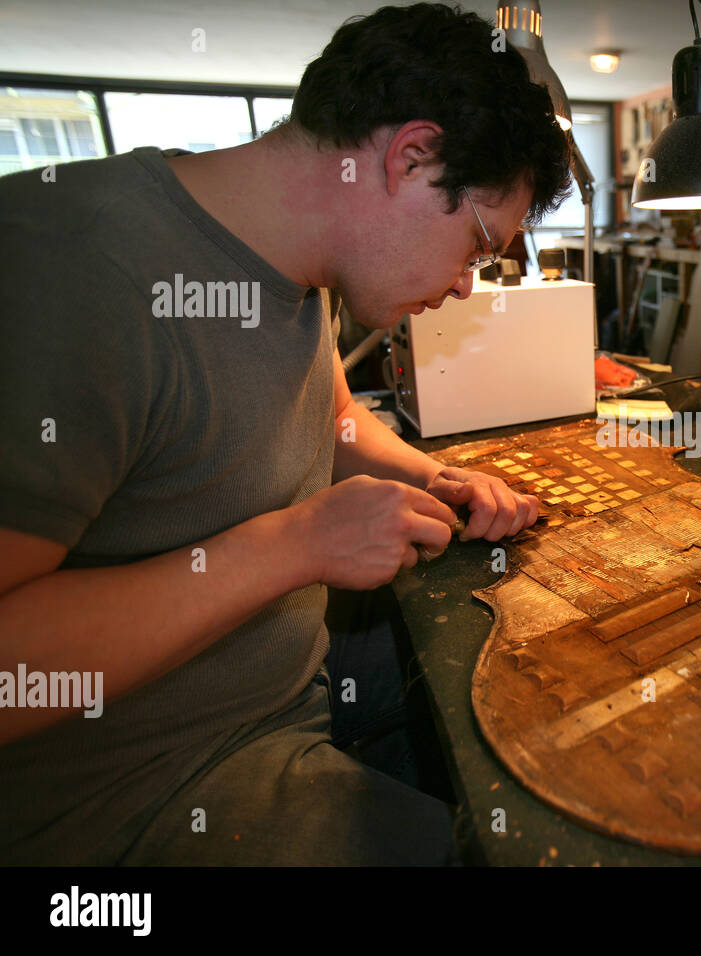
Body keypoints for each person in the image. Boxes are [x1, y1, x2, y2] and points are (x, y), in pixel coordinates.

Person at [0, 2, 572, 864]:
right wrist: (293, 545)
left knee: (551, 684)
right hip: (135, 787)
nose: (466, 286)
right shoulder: (73, 268)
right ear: (410, 157)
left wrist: (433, 478)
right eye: (480, 244)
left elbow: (332, 417)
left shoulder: (300, 262)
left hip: (292, 676)